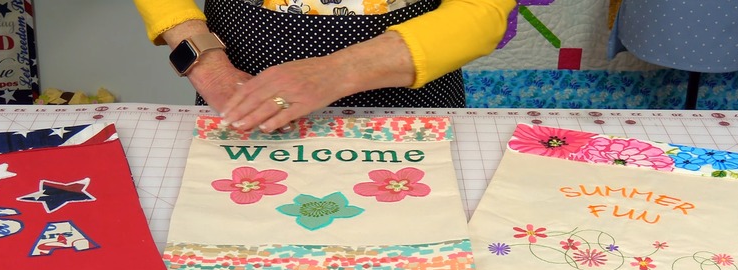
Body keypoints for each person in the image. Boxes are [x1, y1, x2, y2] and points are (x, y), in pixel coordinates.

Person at [133, 0, 515, 133]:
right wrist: (206, 65)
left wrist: (337, 71)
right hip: (240, 84)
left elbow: (483, 10)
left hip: (413, 92)